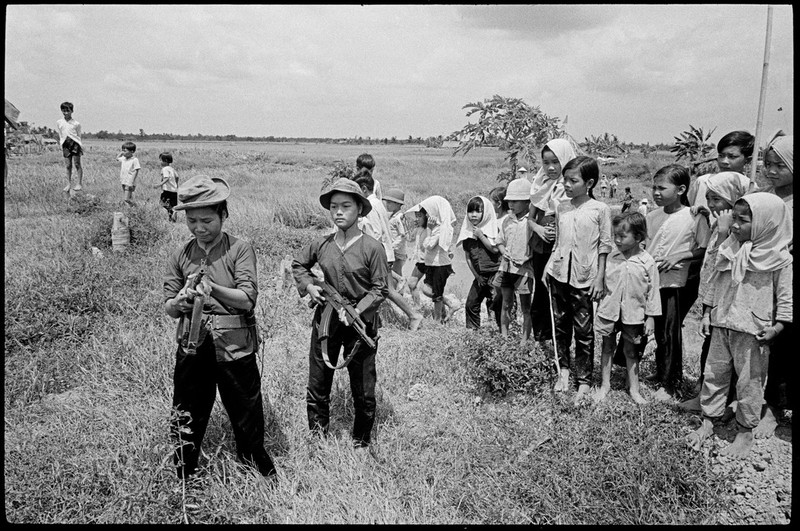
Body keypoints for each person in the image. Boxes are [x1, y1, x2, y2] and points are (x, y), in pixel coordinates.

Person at [163, 174, 276, 479]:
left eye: (207, 220)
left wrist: (211, 288)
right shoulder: (181, 254)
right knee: (186, 413)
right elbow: (169, 307)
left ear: (223, 215)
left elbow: (247, 299)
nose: (199, 228)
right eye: (192, 221)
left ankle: (257, 472)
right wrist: (182, 301)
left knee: (246, 413)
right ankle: (184, 477)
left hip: (234, 348)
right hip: (192, 344)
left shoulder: (239, 249)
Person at [686, 193, 792, 458]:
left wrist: (777, 328)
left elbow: (786, 299)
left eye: (742, 221)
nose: (734, 225)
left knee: (750, 383)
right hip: (722, 323)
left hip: (752, 331)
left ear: (765, 224)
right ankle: (709, 419)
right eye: (734, 218)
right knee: (714, 374)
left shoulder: (779, 259)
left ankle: (745, 430)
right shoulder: (730, 247)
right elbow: (715, 280)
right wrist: (707, 312)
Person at [292, 178, 389, 448]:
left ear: (359, 209)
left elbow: (380, 289)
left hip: (361, 325)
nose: (338, 212)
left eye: (346, 206)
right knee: (318, 381)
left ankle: (361, 441)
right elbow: (298, 264)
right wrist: (310, 286)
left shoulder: (373, 248)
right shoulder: (321, 244)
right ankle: (318, 438)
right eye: (334, 206)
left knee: (363, 387)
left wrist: (357, 310)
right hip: (326, 322)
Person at [678, 171, 750, 412]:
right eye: (708, 197)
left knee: (731, 356)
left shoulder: (739, 231)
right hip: (713, 300)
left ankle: (725, 401)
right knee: (710, 351)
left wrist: (721, 233)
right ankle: (707, 396)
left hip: (730, 303)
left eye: (716, 199)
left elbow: (724, 263)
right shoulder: (719, 221)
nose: (710, 203)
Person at [545, 156, 613, 404]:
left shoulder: (600, 209)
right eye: (565, 179)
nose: (567, 184)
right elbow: (558, 241)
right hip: (558, 273)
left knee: (583, 330)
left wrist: (599, 277)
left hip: (584, 277)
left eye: (573, 180)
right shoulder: (561, 207)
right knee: (560, 325)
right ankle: (563, 370)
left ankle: (584, 380)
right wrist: (548, 267)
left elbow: (605, 246)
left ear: (590, 182)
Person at [645, 164, 710, 401]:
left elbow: (704, 249)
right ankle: (662, 371)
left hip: (677, 283)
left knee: (671, 331)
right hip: (652, 282)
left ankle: (671, 383)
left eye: (662, 188)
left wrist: (679, 256)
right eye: (654, 187)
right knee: (659, 330)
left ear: (681, 189)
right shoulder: (652, 216)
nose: (656, 192)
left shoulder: (694, 217)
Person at [594, 212, 660, 404]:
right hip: (609, 311)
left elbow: (653, 291)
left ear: (638, 237)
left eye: (622, 236)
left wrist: (651, 317)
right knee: (607, 347)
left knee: (631, 351)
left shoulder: (647, 262)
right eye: (615, 236)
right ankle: (605, 384)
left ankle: (634, 389)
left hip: (634, 314)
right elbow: (603, 284)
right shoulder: (611, 258)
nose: (617, 240)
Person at [754, 131, 793, 439]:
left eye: (779, 165)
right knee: (776, 345)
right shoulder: (767, 197)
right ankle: (771, 406)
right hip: (769, 281)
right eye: (768, 164)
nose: (771, 171)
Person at [353, 169, 423, 331]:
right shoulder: (377, 203)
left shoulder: (369, 205)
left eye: (356, 190)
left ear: (363, 189)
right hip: (386, 252)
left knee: (386, 289)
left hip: (378, 254)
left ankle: (413, 315)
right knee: (381, 288)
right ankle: (376, 320)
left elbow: (375, 233)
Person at [528, 138, 578, 345]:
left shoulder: (573, 187)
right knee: (540, 293)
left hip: (563, 249)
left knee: (560, 295)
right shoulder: (540, 185)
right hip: (541, 247)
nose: (550, 167)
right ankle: (541, 341)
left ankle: (561, 344)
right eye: (546, 162)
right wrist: (539, 228)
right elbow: (530, 219)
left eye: (555, 162)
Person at [496, 178, 536, 341]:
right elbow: (499, 241)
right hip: (506, 268)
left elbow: (536, 248)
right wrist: (503, 251)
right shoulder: (507, 220)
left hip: (524, 270)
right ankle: (504, 337)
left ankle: (524, 341)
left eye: (516, 201)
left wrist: (527, 258)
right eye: (510, 201)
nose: (511, 205)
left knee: (526, 307)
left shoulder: (531, 222)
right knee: (506, 303)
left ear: (527, 202)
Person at [407, 195, 457, 324]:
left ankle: (438, 320)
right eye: (416, 216)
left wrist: (429, 228)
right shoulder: (430, 229)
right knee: (428, 290)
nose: (417, 219)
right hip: (432, 263)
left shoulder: (437, 229)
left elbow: (427, 245)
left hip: (438, 264)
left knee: (436, 294)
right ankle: (446, 308)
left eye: (420, 216)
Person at [456, 196, 502, 330]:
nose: (473, 215)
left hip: (495, 274)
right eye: (470, 211)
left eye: (478, 211)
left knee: (497, 303)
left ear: (486, 212)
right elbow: (468, 257)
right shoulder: (468, 232)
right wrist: (477, 276)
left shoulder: (492, 230)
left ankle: (501, 331)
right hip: (480, 276)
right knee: (471, 304)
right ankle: (473, 332)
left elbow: (494, 249)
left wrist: (481, 236)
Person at [687, 131, 757, 211]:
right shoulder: (703, 182)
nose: (724, 161)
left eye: (732, 156)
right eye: (721, 156)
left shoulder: (750, 188)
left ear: (748, 160)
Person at [56, 101, 83, 193]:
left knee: (77, 164)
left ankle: (79, 183)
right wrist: (61, 144)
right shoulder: (59, 122)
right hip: (65, 144)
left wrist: (80, 145)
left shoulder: (76, 123)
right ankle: (68, 183)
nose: (66, 113)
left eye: (68, 111)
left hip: (75, 143)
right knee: (68, 165)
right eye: (64, 111)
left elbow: (79, 135)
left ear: (72, 111)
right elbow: (60, 134)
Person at [154, 151, 179, 222]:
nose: (160, 162)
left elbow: (166, 178)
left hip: (167, 190)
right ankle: (172, 220)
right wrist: (176, 185)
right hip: (174, 190)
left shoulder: (164, 169)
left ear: (165, 161)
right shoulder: (172, 169)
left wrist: (160, 184)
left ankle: (172, 212)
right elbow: (177, 177)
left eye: (161, 160)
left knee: (162, 202)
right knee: (173, 205)